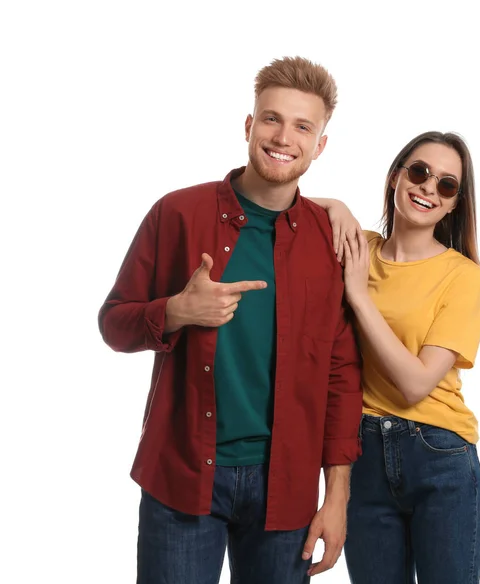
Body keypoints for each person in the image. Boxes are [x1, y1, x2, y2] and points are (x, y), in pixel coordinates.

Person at [97, 56, 363, 584]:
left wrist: (337, 498)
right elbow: (113, 322)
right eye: (271, 119)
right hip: (183, 477)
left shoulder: (328, 241)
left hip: (285, 491)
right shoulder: (177, 213)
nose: (283, 136)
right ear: (249, 126)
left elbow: (341, 375)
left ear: (320, 144)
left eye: (302, 126)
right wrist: (175, 311)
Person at [313, 131, 480, 583]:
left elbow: (416, 384)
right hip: (363, 455)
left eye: (446, 185)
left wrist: (358, 295)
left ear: (454, 203)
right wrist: (339, 205)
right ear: (396, 177)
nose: (429, 187)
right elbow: (285, 205)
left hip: (440, 455)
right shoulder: (359, 246)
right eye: (419, 172)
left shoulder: (463, 278)